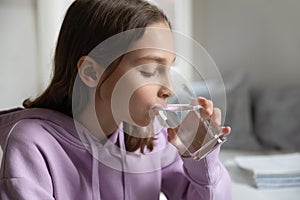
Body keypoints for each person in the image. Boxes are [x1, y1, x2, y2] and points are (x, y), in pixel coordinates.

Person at [0, 0, 232, 199]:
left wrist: (202, 159)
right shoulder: (31, 143)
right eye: (150, 70)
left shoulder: (151, 140)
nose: (169, 89)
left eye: (169, 69)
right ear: (91, 73)